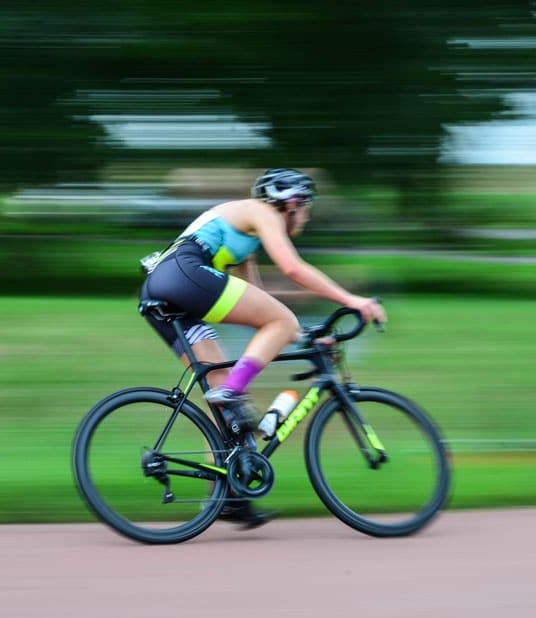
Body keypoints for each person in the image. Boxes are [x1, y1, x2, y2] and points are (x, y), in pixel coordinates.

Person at [139, 168, 387, 528]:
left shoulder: (246, 241)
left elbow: (258, 308)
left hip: (166, 290)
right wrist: (352, 299)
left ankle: (227, 498)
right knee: (235, 386)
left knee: (226, 406)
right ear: (291, 203)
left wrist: (305, 337)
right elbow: (292, 268)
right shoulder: (262, 212)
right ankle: (231, 390)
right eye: (306, 208)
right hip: (181, 276)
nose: (306, 216)